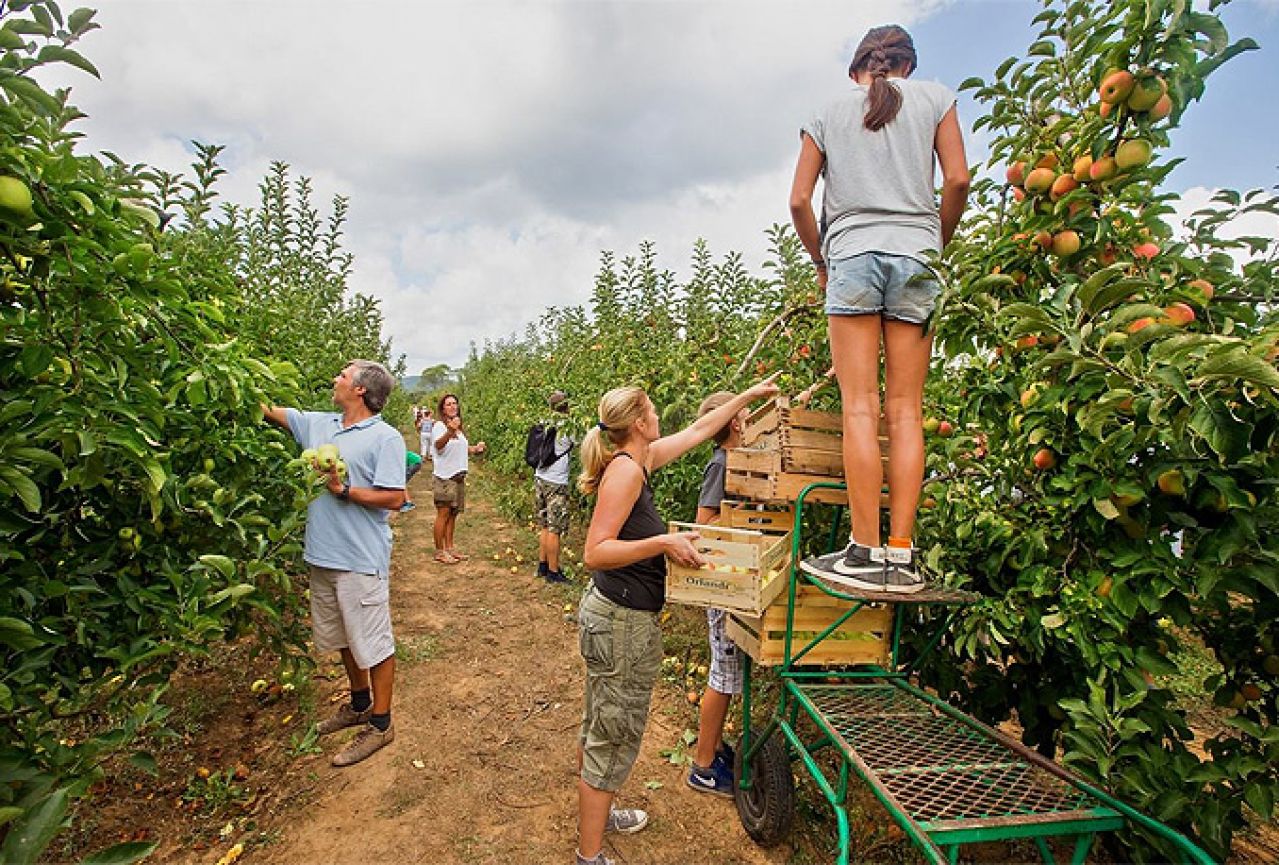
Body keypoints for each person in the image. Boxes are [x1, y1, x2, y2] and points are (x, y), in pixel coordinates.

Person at [789, 24, 970, 593]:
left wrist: (822, 260)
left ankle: (864, 552)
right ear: (907, 66)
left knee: (860, 408)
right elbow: (958, 180)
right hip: (918, 255)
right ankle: (902, 554)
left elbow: (798, 199)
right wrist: (932, 242)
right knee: (907, 411)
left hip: (853, 255)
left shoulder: (827, 112)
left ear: (856, 70)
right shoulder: (937, 99)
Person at [573, 375, 778, 865]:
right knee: (613, 729)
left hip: (622, 617)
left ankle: (600, 815)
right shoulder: (625, 472)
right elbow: (595, 552)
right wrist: (663, 542)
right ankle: (589, 853)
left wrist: (746, 397)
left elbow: (698, 430)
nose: (661, 415)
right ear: (640, 423)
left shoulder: (639, 458)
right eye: (653, 410)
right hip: (619, 619)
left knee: (606, 719)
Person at [262, 359, 406, 767]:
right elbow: (267, 408)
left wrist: (343, 490)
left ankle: (381, 723)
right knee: (342, 635)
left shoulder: (385, 438)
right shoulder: (319, 426)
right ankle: (359, 703)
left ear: (360, 389)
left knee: (374, 642)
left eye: (342, 375)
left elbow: (394, 497)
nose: (335, 379)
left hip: (360, 557)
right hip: (322, 554)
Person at [685, 391, 748, 797]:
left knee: (729, 672)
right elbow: (702, 525)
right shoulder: (721, 465)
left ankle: (715, 748)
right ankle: (703, 766)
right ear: (736, 423)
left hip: (734, 581)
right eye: (744, 415)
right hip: (722, 584)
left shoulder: (739, 461)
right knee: (723, 675)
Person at [431, 393, 485, 564]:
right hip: (445, 477)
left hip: (458, 477)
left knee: (453, 514)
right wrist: (450, 431)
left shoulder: (459, 429)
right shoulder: (440, 426)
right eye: (448, 404)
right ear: (442, 408)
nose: (453, 406)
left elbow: (459, 448)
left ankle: (450, 548)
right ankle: (440, 551)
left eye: (455, 403)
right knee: (443, 513)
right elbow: (438, 445)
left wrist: (475, 449)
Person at [535, 390, 575, 584]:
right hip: (556, 482)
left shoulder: (543, 421)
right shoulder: (568, 426)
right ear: (566, 406)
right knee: (554, 528)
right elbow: (582, 443)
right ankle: (553, 571)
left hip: (540, 478)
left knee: (544, 524)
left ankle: (542, 565)